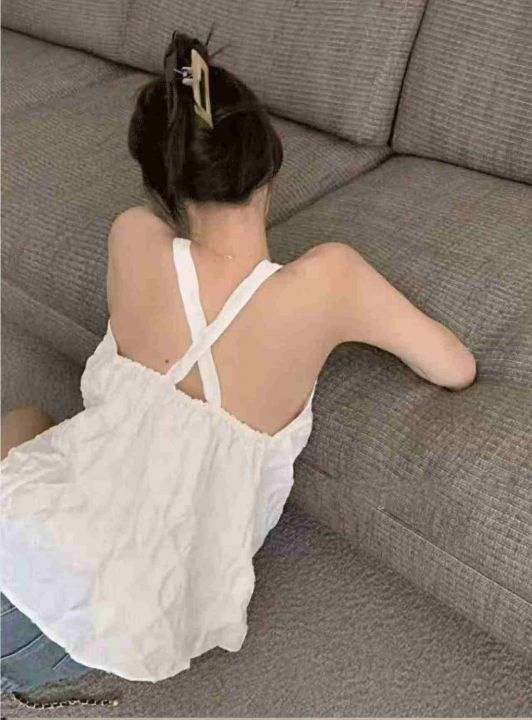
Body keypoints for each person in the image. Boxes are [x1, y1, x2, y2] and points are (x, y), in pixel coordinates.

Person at [0, 28, 477, 708]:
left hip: (18, 558)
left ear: (163, 188)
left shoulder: (132, 236)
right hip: (94, 628)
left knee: (26, 422)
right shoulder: (331, 281)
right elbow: (455, 367)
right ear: (269, 163)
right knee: (33, 436)